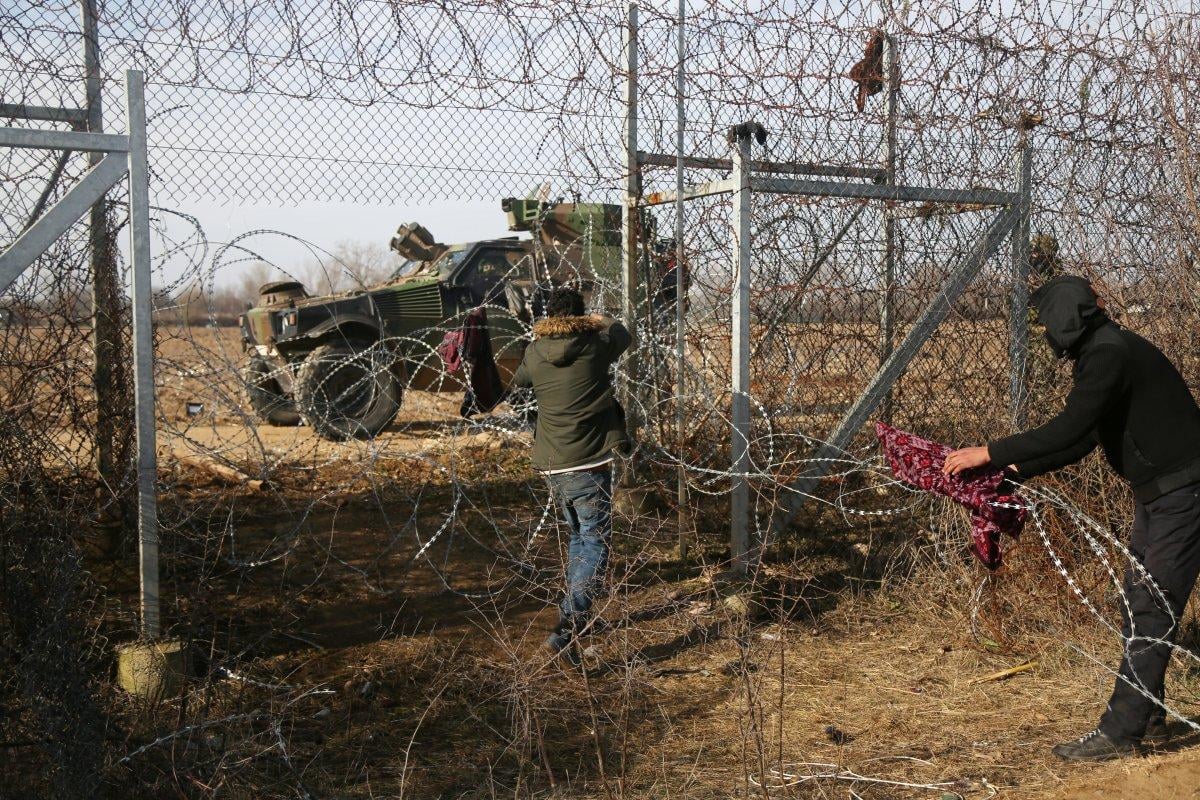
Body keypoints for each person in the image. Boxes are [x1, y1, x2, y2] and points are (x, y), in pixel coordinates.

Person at [943, 275, 1200, 761]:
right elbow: (1084, 440)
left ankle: (1121, 733)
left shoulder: (1108, 355)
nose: (1044, 333)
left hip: (1183, 493)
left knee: (1151, 606)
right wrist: (1013, 472)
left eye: (1046, 323)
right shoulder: (1104, 351)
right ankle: (1149, 713)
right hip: (1164, 493)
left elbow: (1069, 427)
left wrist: (990, 452)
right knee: (1140, 601)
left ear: (1066, 320)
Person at [510, 287, 631, 656]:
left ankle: (573, 617)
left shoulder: (535, 352)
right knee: (595, 542)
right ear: (582, 316)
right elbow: (623, 333)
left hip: (553, 465)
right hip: (589, 461)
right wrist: (595, 320)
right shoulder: (596, 346)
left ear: (548, 316)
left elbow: (519, 381)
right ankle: (568, 627)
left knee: (580, 539)